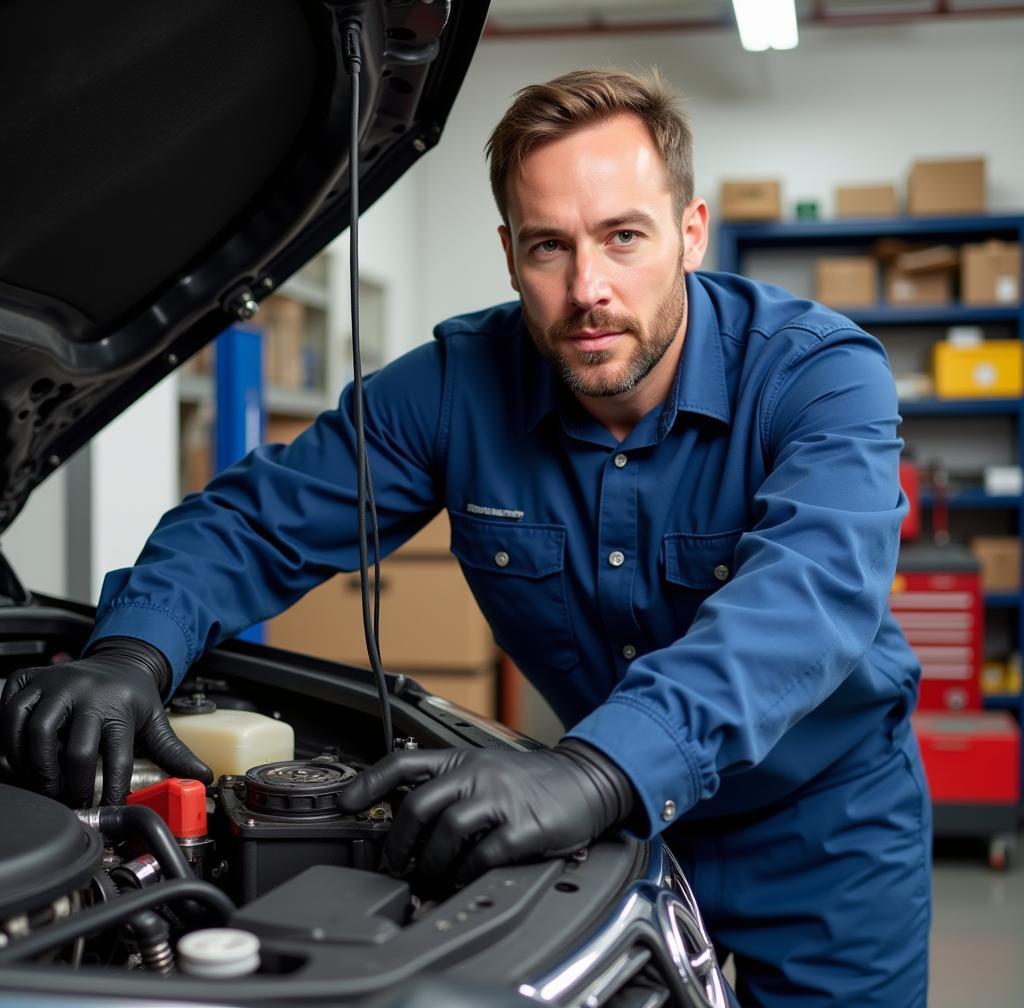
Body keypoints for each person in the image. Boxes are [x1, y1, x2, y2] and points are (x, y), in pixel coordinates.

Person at [1, 69, 929, 1006]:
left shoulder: (818, 376)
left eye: (623, 237)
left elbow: (808, 601)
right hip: (611, 828)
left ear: (689, 234)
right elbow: (256, 520)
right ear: (508, 253)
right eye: (548, 248)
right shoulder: (456, 384)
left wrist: (600, 769)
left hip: (825, 828)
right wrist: (132, 649)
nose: (588, 288)